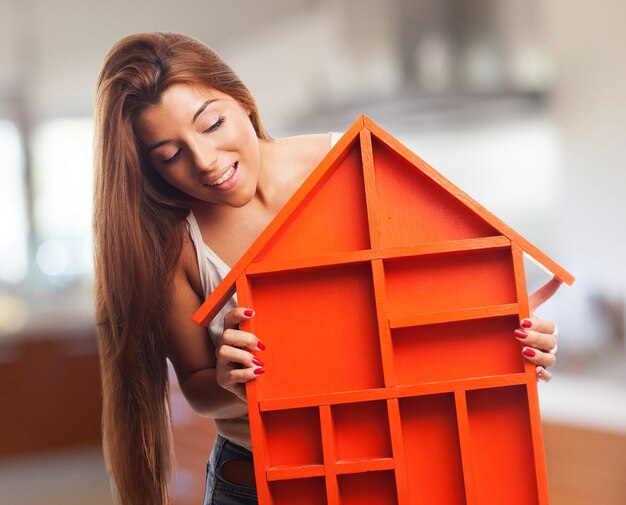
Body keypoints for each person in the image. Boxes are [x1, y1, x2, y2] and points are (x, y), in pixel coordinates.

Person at [93, 32, 560, 505]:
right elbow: (197, 388)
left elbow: (439, 309)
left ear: (242, 102)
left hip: (393, 470)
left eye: (212, 124)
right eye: (170, 156)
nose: (206, 162)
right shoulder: (174, 244)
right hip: (257, 481)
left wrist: (509, 335)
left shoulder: (354, 164)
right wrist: (224, 378)